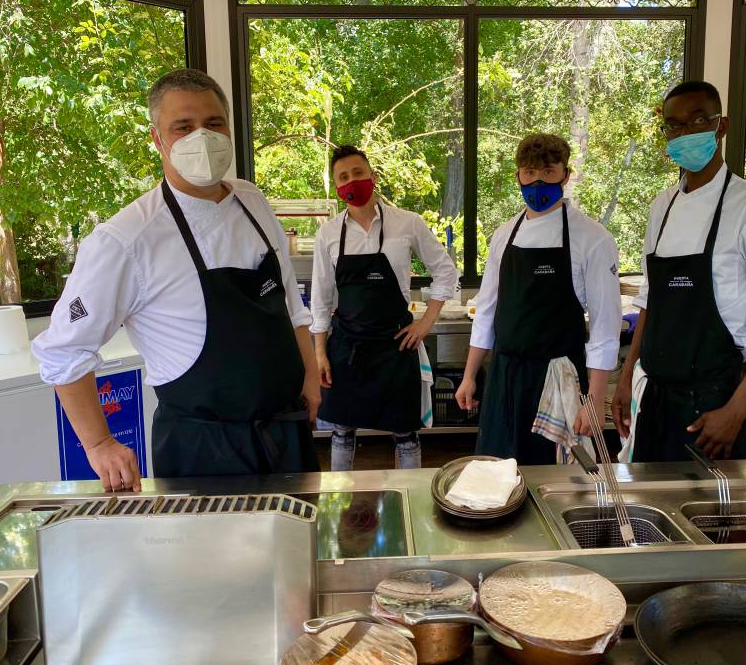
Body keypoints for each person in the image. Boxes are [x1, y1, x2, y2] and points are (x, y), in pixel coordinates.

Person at [32, 69, 320, 489]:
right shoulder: (127, 238)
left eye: (213, 123)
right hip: (202, 451)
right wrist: (98, 444)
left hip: (287, 435)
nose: (201, 137)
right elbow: (63, 352)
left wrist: (309, 378)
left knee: (296, 551)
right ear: (158, 139)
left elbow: (291, 307)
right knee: (210, 558)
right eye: (183, 127)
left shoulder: (252, 201)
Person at [611, 80, 746, 462]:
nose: (685, 133)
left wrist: (736, 410)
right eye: (674, 125)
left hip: (713, 408)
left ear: (721, 125)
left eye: (698, 120)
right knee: (650, 516)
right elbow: (651, 299)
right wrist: (628, 373)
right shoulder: (660, 207)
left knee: (710, 519)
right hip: (654, 398)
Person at [455, 134, 622, 464]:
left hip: (557, 379)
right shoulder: (504, 234)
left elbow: (605, 329)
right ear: (518, 176)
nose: (538, 181)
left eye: (548, 171)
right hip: (504, 375)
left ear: (565, 174)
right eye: (530, 173)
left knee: (556, 479)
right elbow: (486, 311)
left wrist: (595, 398)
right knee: (497, 475)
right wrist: (469, 375)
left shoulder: (593, 238)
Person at [311, 145, 459, 470]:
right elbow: (321, 299)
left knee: (405, 433)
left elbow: (446, 271)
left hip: (395, 346)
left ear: (372, 176)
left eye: (358, 173)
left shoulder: (408, 223)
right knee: (341, 431)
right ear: (337, 187)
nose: (353, 181)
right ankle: (339, 505)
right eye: (344, 177)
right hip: (346, 345)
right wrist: (320, 353)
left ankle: (411, 500)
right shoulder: (329, 233)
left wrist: (425, 323)